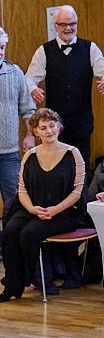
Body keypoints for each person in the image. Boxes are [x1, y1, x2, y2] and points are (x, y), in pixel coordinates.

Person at [0, 109, 85, 302]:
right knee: (10, 231)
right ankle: (13, 286)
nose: (49, 131)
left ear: (59, 127)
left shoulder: (73, 153)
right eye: (43, 127)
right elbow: (21, 190)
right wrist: (31, 208)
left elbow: (77, 192)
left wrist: (55, 209)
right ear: (36, 132)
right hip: (33, 208)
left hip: (64, 212)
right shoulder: (29, 155)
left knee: (29, 233)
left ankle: (24, 280)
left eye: (52, 125)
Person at [25, 5, 104, 158]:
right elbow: (29, 78)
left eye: (72, 24)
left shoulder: (90, 48)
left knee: (82, 164)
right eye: (63, 24)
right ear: (55, 26)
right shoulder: (44, 50)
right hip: (53, 125)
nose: (68, 28)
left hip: (82, 121)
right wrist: (33, 89)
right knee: (55, 165)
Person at [0, 27, 36, 216]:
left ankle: (9, 245)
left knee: (13, 204)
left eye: (2, 47)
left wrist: (30, 135)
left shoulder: (15, 73)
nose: (0, 51)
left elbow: (28, 108)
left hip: (9, 153)